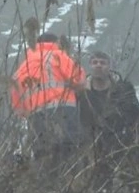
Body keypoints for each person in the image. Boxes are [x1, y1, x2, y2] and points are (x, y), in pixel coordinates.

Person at [9, 32, 87, 178]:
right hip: (64, 111)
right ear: (56, 42)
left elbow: (16, 102)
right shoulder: (57, 55)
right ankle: (73, 190)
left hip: (36, 117)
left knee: (44, 157)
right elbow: (78, 80)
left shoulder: (23, 66)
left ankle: (49, 192)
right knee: (70, 154)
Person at [77, 51, 139, 193]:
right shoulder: (82, 93)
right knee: (101, 190)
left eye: (103, 62)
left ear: (109, 66)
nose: (99, 66)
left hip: (124, 143)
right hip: (97, 147)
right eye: (95, 62)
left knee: (136, 184)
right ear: (90, 66)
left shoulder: (124, 89)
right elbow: (80, 121)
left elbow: (137, 115)